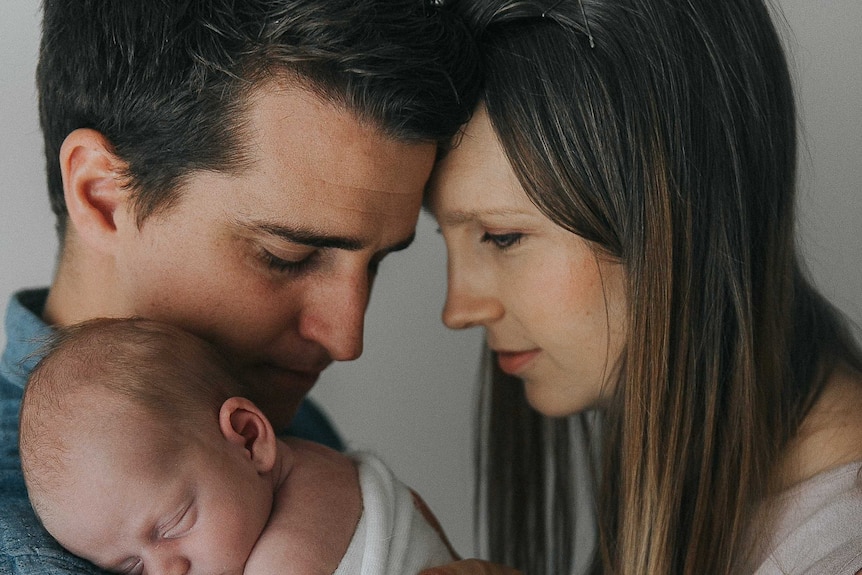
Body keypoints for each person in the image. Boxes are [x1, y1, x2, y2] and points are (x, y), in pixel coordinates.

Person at [0, 1, 482, 573]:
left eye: (375, 264)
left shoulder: (272, 421)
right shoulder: (22, 540)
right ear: (102, 195)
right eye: (287, 257)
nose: (347, 339)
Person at [426, 0, 862, 574]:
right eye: (445, 236)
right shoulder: (687, 482)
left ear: (680, 218)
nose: (458, 309)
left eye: (503, 237)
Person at [19, 318, 459, 575]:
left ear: (249, 439)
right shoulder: (304, 457)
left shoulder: (290, 554)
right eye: (131, 569)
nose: (167, 570)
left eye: (174, 524)